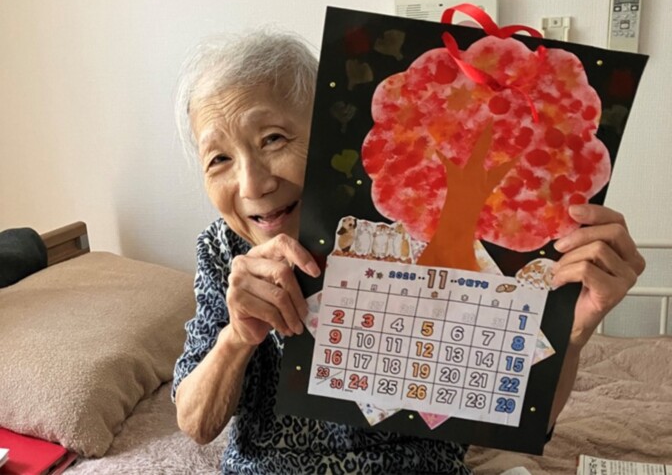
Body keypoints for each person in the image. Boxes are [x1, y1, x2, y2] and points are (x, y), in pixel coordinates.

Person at [171, 29, 646, 475]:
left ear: (327, 135)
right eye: (219, 159)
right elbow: (196, 424)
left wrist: (572, 333)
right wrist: (236, 338)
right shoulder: (223, 250)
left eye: (273, 139)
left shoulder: (411, 239)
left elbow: (520, 420)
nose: (252, 184)